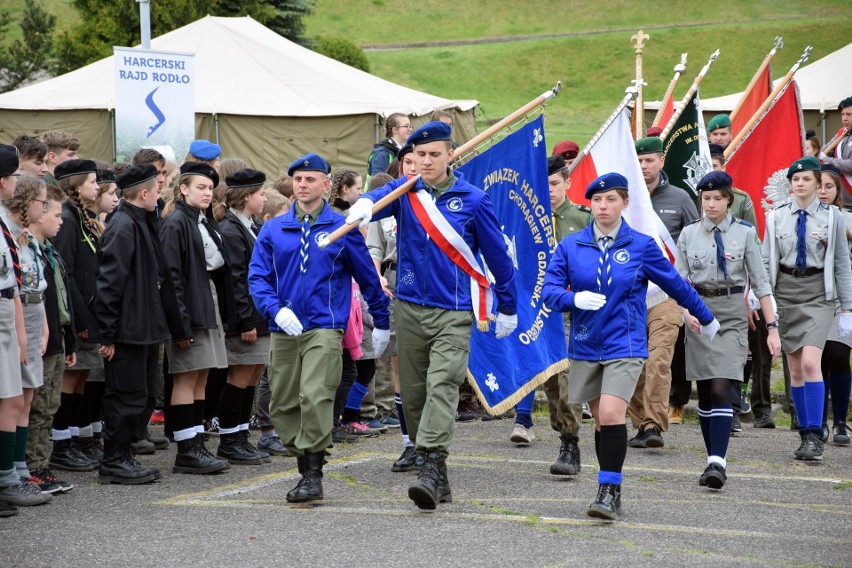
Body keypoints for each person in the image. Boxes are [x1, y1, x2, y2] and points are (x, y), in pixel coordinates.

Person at [345, 121, 518, 510]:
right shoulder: (406, 192)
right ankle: (434, 469)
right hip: (408, 307)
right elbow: (386, 192)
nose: (425, 161)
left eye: (433, 155)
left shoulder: (472, 199)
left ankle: (433, 466)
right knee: (416, 394)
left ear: (450, 155)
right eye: (418, 155)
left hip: (453, 311)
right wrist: (365, 203)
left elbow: (497, 257)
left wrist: (507, 304)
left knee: (443, 384)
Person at [542, 172, 716, 520]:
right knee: (603, 423)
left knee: (609, 413)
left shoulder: (640, 245)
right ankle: (613, 485)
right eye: (597, 201)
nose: (603, 206)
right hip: (586, 345)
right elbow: (548, 292)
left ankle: (605, 491)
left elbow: (675, 284)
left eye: (611, 200)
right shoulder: (570, 246)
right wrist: (573, 299)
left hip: (626, 343)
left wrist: (705, 316)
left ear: (625, 203)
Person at [248, 152, 390, 503]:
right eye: (297, 179)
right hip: (284, 328)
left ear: (327, 185)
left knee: (314, 395)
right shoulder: (274, 228)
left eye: (310, 179)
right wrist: (274, 310)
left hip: (324, 328)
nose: (302, 185)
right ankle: (308, 456)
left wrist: (383, 320)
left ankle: (311, 474)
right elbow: (257, 277)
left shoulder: (341, 228)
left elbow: (368, 278)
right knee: (281, 403)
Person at [675, 171, 781, 488]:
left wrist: (772, 328)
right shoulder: (689, 234)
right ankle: (712, 457)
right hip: (699, 313)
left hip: (733, 315)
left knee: (722, 387)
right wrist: (684, 313)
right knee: (706, 392)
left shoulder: (745, 234)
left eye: (717, 198)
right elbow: (678, 283)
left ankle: (717, 463)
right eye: (705, 198)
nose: (710, 204)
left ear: (728, 199)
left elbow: (761, 286)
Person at [94, 164, 182, 484]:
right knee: (124, 395)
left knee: (139, 393)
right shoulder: (123, 225)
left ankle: (124, 454)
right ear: (143, 194)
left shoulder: (141, 220)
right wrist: (108, 332)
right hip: (127, 330)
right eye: (156, 189)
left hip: (143, 327)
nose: (160, 192)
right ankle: (114, 460)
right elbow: (108, 284)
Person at [762, 156, 852, 462]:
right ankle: (804, 433)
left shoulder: (832, 217)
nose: (800, 184)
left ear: (817, 184)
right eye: (795, 180)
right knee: (796, 369)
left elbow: (842, 263)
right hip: (786, 293)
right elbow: (765, 260)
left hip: (818, 295)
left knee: (813, 363)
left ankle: (815, 434)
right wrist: (761, 297)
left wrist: (848, 308)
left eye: (806, 180)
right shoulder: (776, 217)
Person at [512, 155, 590, 479]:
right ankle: (562, 432)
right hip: (541, 314)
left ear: (568, 183)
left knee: (569, 379)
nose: (550, 191)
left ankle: (570, 444)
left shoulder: (583, 220)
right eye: (544, 186)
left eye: (555, 184)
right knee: (552, 387)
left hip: (575, 312)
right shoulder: (529, 223)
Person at [160, 162, 233, 475]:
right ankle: (186, 449)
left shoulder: (200, 219)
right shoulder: (176, 222)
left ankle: (197, 441)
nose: (207, 192)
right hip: (189, 307)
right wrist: (180, 324)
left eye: (210, 188)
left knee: (202, 375)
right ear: (183, 189)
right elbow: (170, 277)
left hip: (206, 303)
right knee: (186, 376)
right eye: (200, 187)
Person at [631, 136, 698, 447]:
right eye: (639, 161)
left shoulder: (680, 198)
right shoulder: (624, 197)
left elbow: (694, 241)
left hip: (666, 295)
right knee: (633, 361)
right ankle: (641, 423)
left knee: (659, 359)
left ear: (661, 161)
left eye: (649, 161)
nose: (644, 167)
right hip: (629, 294)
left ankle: (655, 426)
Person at [0, 144, 52, 512]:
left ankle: (14, 472)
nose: (17, 183)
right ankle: (7, 477)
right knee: (10, 398)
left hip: (17, 312)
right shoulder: (7, 229)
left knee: (19, 396)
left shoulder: (15, 233)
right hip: (7, 314)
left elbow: (17, 285)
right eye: (14, 176)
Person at [212, 168, 271, 465]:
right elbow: (237, 279)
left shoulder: (251, 225)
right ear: (247, 197)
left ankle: (242, 435)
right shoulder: (231, 230)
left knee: (252, 377)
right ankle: (229, 439)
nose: (264, 199)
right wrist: (246, 320)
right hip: (245, 318)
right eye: (261, 194)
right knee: (239, 378)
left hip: (260, 314)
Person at [50, 159, 103, 471]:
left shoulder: (82, 217)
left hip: (90, 310)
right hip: (80, 312)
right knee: (70, 379)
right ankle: (61, 443)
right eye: (92, 182)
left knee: (82, 376)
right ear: (76, 185)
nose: (96, 187)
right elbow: (66, 272)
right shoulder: (68, 218)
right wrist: (79, 319)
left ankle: (75, 439)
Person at [25, 184, 76, 494]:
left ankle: (41, 466)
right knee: (38, 407)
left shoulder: (49, 251)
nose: (61, 220)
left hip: (57, 336)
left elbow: (61, 299)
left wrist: (68, 336)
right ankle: (31, 468)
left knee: (50, 405)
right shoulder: (31, 251)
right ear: (39, 214)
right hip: (41, 339)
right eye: (56, 214)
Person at [817, 165, 852, 446]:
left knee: (838, 356)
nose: (823, 191)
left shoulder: (846, 218)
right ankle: (818, 422)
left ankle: (840, 421)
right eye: (819, 186)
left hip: (842, 297)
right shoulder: (801, 218)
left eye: (829, 186)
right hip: (812, 297)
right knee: (818, 359)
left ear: (837, 190)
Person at [821, 96, 852, 211]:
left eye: (849, 114)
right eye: (842, 114)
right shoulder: (842, 132)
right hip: (841, 200)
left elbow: (850, 165)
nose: (844, 118)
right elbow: (827, 150)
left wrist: (827, 160)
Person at [367, 113, 411, 178]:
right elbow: (379, 184)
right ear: (395, 130)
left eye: (410, 126)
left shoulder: (407, 150)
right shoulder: (381, 154)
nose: (410, 129)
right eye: (406, 126)